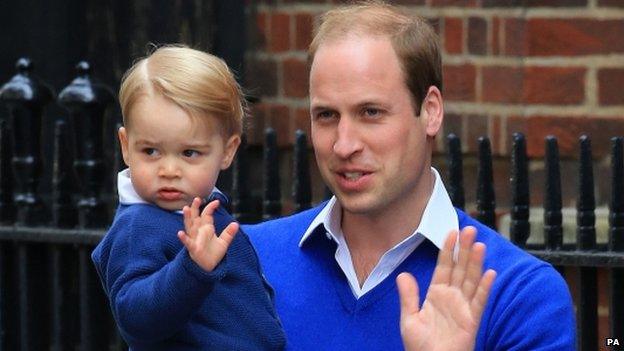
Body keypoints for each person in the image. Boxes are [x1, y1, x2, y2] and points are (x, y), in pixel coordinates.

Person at [242, 1, 576, 350]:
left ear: (430, 112)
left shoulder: (519, 295)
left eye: (370, 112)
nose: (344, 145)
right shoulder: (250, 260)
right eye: (326, 115)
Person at [91, 45, 285, 350]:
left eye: (189, 153)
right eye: (150, 151)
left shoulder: (210, 210)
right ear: (126, 146)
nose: (168, 169)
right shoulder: (137, 227)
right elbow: (135, 319)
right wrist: (192, 269)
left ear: (228, 151)